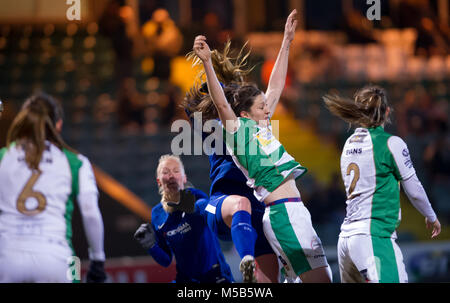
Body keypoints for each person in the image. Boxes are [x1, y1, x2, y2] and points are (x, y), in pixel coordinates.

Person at [191, 10, 332, 283]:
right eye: (262, 106)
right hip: (283, 213)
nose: (268, 108)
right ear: (245, 113)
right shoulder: (237, 133)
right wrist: (208, 62)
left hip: (294, 211)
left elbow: (276, 86)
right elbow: (221, 104)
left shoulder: (262, 126)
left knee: (319, 278)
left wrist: (287, 42)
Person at [322, 85, 441, 283]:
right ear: (387, 112)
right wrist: (431, 215)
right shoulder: (391, 143)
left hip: (346, 239)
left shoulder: (349, 143)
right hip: (373, 236)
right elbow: (415, 190)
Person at [0, 93, 106, 283]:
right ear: (58, 125)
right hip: (56, 257)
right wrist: (97, 260)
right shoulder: (75, 162)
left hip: (7, 257)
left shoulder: (3, 156)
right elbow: (90, 212)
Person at [134, 154, 233, 283]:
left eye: (176, 171)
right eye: (166, 172)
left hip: (216, 276)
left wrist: (194, 209)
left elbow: (206, 207)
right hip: (186, 280)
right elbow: (166, 260)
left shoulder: (195, 197)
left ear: (184, 178)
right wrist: (151, 245)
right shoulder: (157, 214)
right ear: (159, 181)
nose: (171, 175)